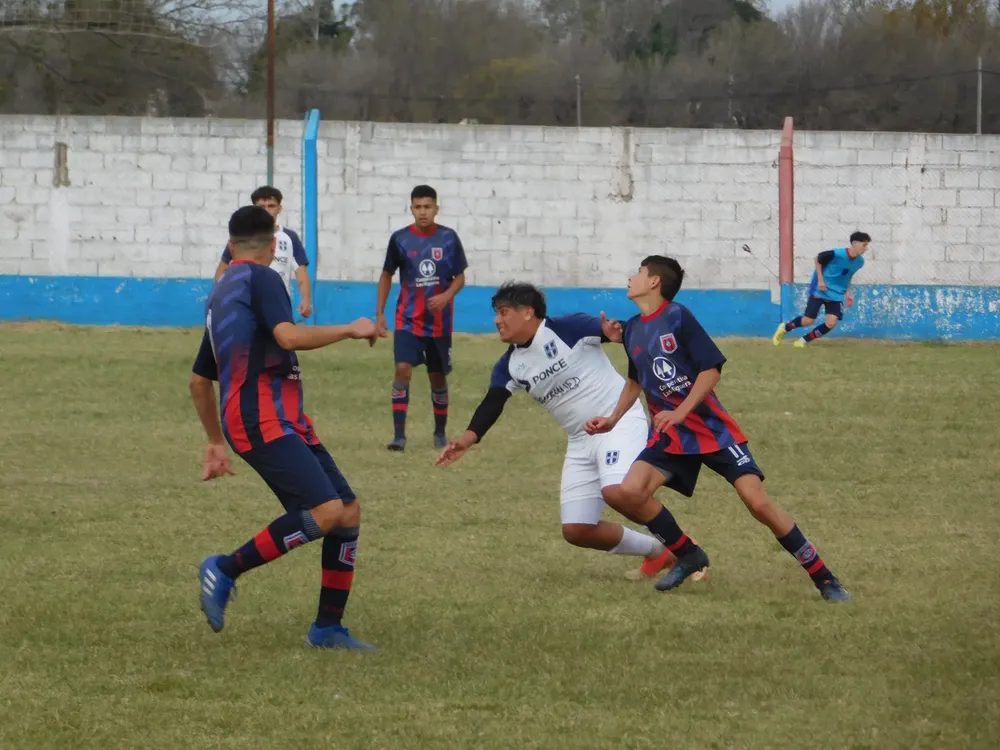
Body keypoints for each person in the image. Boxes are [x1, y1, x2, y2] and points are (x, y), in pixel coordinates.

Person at [585, 255, 849, 602]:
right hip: (672, 434)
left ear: (654, 283)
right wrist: (612, 419)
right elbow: (637, 380)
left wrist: (679, 411)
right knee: (627, 493)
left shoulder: (679, 316)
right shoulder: (632, 327)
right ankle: (689, 553)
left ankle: (824, 578)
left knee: (757, 503)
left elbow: (711, 371)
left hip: (711, 429)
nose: (630, 278)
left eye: (638, 273)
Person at [190, 205, 385, 650]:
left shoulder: (220, 294)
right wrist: (351, 330)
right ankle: (224, 568)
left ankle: (327, 629)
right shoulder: (262, 279)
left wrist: (215, 441)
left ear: (230, 243)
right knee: (326, 512)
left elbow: (200, 380)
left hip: (276, 418)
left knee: (347, 511)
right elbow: (288, 337)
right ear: (275, 244)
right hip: (262, 418)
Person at [434, 282, 704, 584]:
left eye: (504, 312)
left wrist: (615, 333)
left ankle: (687, 552)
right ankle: (658, 550)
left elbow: (627, 334)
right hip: (580, 440)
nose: (497, 320)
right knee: (577, 529)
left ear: (528, 312)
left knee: (619, 491)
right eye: (496, 313)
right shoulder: (510, 365)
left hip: (619, 422)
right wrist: (467, 439)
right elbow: (493, 402)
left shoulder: (569, 327)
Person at [376, 185, 468, 452]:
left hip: (439, 325)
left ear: (436, 209)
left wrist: (446, 296)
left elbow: (460, 277)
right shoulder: (400, 239)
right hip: (407, 320)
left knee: (437, 377)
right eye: (418, 207)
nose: (423, 212)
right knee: (402, 369)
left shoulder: (449, 238)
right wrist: (380, 313)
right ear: (411, 209)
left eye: (428, 206)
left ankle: (439, 433)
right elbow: (386, 275)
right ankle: (398, 436)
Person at [214, 185, 313, 319]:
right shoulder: (243, 236)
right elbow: (223, 268)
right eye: (261, 207)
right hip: (247, 302)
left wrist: (306, 300)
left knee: (281, 338)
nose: (266, 211)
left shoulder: (290, 238)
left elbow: (301, 271)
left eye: (271, 206)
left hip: (278, 303)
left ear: (279, 209)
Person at [773, 231, 870, 348]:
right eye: (864, 245)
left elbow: (848, 276)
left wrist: (848, 293)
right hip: (820, 289)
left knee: (831, 323)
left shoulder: (860, 262)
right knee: (808, 320)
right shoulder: (836, 254)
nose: (866, 248)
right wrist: (820, 280)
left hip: (837, 293)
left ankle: (803, 341)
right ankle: (784, 328)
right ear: (854, 243)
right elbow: (818, 259)